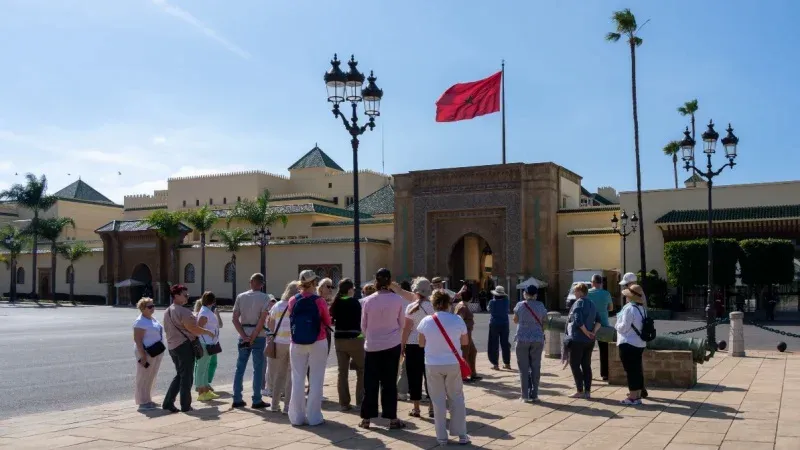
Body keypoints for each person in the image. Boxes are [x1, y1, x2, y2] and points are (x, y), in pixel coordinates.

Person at [417, 290, 471, 446]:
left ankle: (441, 437)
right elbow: (465, 342)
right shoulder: (457, 320)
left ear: (434, 304)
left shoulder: (426, 321)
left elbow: (421, 344)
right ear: (449, 304)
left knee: (438, 400)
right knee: (456, 398)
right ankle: (461, 434)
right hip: (452, 362)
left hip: (433, 364)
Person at [359, 268, 407, 430]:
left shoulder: (367, 301)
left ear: (376, 281)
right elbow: (402, 324)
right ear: (390, 281)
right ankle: (391, 418)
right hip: (391, 344)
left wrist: (373, 336)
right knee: (389, 382)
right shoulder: (398, 300)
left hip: (372, 345)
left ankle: (366, 418)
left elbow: (363, 326)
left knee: (370, 382)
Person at [288, 270, 332, 426]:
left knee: (298, 379)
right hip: (317, 341)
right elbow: (327, 320)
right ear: (314, 283)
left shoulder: (293, 300)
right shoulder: (319, 301)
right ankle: (314, 417)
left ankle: (296, 417)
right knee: (316, 378)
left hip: (297, 342)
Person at [162, 285, 215, 413]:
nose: (187, 297)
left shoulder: (168, 311)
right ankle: (185, 405)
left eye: (187, 295)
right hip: (184, 346)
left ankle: (168, 402)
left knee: (180, 375)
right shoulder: (183, 311)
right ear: (176, 296)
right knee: (186, 378)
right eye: (185, 295)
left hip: (172, 346)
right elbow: (194, 329)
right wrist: (207, 332)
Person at [231, 273, 270, 409]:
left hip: (244, 333)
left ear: (251, 282)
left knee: (240, 367)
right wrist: (253, 337)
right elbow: (262, 320)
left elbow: (235, 319)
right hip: (258, 335)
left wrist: (244, 336)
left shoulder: (241, 297)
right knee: (258, 368)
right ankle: (256, 399)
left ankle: (237, 397)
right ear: (262, 284)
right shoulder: (265, 298)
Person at [329, 278, 364, 411]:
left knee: (342, 372)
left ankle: (344, 403)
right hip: (355, 338)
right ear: (350, 290)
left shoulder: (336, 302)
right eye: (353, 289)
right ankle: (360, 400)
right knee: (362, 370)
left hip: (339, 339)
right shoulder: (354, 303)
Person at [402, 277, 435, 418]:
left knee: (414, 377)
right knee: (431, 377)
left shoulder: (411, 307)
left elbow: (407, 329)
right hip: (430, 345)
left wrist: (402, 345)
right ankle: (432, 407)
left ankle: (416, 408)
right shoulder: (433, 306)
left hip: (412, 345)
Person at [266, 281, 298, 413]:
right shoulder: (295, 305)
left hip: (278, 342)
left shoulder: (278, 305)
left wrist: (274, 334)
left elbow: (270, 323)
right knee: (290, 376)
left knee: (280, 374)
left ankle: (274, 405)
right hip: (292, 343)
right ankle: (287, 407)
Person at [513, 285, 547, 402]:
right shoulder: (541, 305)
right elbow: (545, 321)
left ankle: (525, 395)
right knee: (535, 366)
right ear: (536, 295)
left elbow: (515, 320)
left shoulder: (520, 305)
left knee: (523, 368)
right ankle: (535, 393)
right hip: (537, 338)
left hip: (522, 338)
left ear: (525, 294)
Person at [567, 283, 601, 399]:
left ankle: (579, 390)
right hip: (590, 341)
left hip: (578, 339)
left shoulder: (578, 303)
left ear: (581, 292)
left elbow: (578, 321)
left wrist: (586, 332)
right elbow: (598, 321)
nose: (574, 294)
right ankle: (588, 391)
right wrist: (593, 333)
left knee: (574, 364)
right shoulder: (592, 303)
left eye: (575, 291)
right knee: (586, 365)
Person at [615, 284, 647, 405]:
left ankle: (632, 396)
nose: (626, 297)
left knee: (631, 370)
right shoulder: (642, 309)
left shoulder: (629, 309)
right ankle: (637, 395)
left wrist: (616, 325)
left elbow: (624, 327)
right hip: (639, 343)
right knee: (637, 369)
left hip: (628, 342)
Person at [133, 297, 164, 411]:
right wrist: (143, 355)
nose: (152, 308)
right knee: (143, 377)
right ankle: (142, 402)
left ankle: (148, 399)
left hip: (156, 351)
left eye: (153, 306)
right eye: (149, 307)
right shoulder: (140, 322)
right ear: (142, 308)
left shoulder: (152, 319)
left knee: (151, 376)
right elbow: (138, 340)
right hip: (146, 352)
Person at [194, 291, 221, 401]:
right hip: (205, 343)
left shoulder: (207, 311)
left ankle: (205, 390)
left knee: (205, 367)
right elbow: (198, 327)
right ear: (213, 301)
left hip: (210, 343)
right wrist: (208, 333)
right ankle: (201, 392)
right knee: (201, 368)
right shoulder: (205, 312)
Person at [587, 274, 613, 381]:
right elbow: (610, 308)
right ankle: (605, 374)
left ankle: (587, 373)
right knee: (604, 351)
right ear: (601, 283)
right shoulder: (606, 293)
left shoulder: (587, 293)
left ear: (592, 282)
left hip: (590, 325)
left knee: (587, 351)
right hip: (603, 325)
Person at [454, 287, 480, 382]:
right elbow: (459, 321)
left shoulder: (462, 306)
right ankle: (463, 375)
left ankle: (472, 373)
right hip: (464, 334)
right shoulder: (462, 307)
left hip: (467, 333)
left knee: (473, 352)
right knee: (464, 354)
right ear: (470, 298)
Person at [487, 286, 511, 370]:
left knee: (494, 343)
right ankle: (507, 363)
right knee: (505, 343)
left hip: (494, 323)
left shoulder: (492, 302)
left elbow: (488, 309)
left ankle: (495, 364)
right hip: (505, 324)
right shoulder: (506, 301)